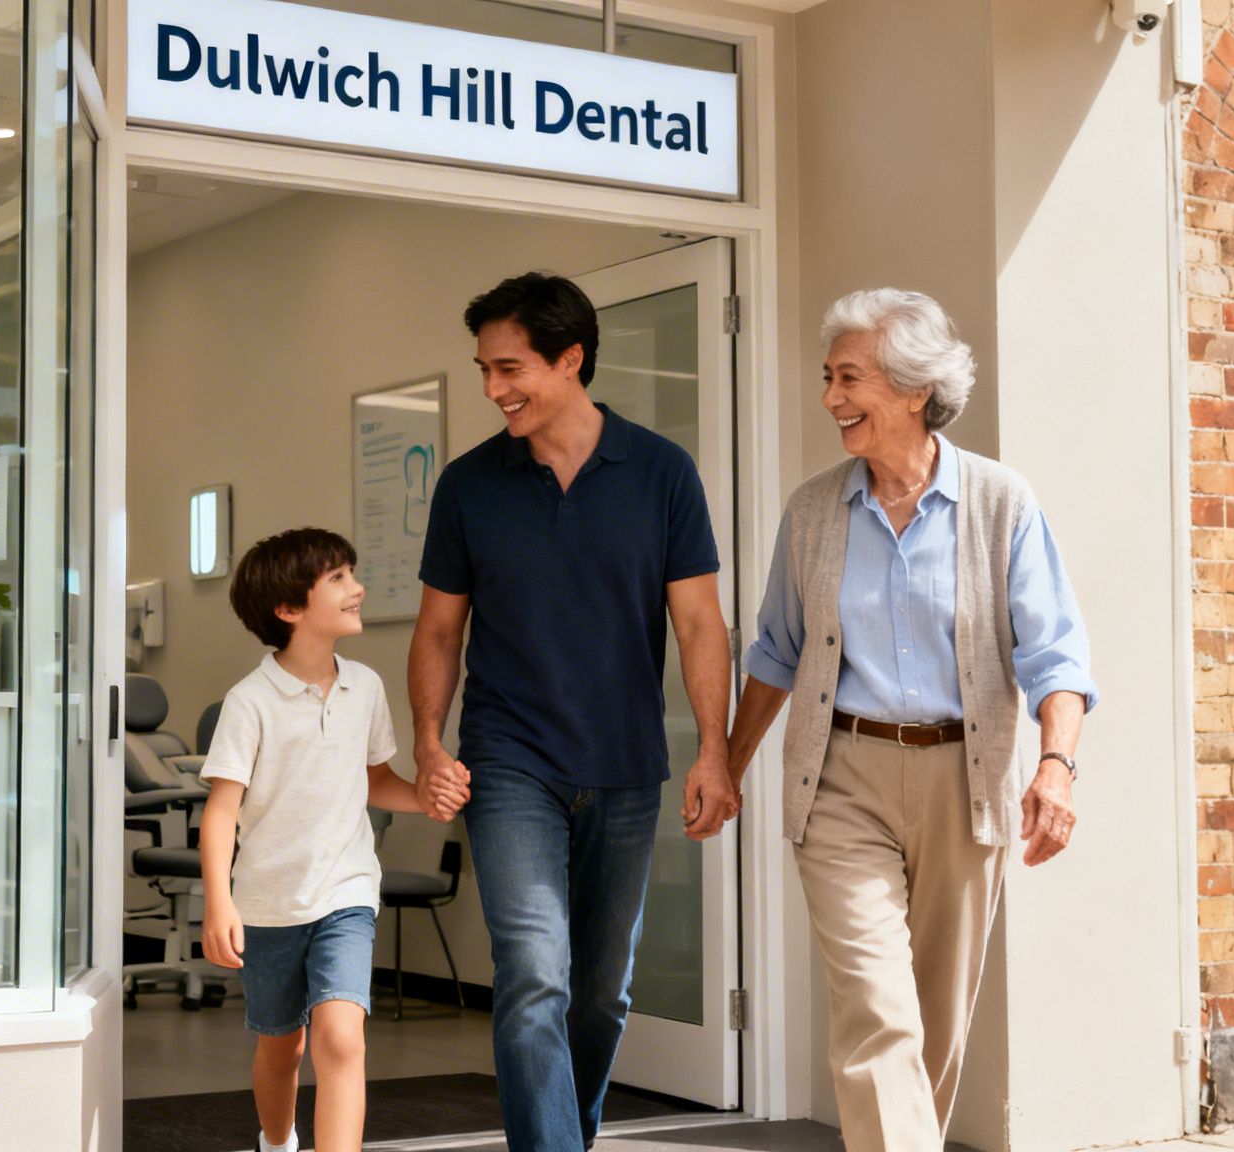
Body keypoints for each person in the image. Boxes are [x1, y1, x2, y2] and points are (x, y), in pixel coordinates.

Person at [726, 288, 1095, 1150]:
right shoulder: (815, 510)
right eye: (829, 377)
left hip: (963, 776)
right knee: (875, 1011)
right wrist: (727, 763)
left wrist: (1055, 766)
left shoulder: (1000, 503)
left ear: (914, 389)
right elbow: (776, 653)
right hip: (841, 777)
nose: (830, 398)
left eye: (849, 378)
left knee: (931, 1023)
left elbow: (1056, 656)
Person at [409, 272, 736, 1152]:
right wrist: (430, 744)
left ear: (571, 359)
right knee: (533, 975)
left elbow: (702, 622)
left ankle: (568, 1134)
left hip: (626, 765)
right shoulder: (470, 485)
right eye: (483, 369)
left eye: (509, 367)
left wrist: (716, 753)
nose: (493, 389)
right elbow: (440, 632)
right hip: (509, 761)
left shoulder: (661, 472)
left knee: (599, 993)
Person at [197, 527, 435, 1152]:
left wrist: (426, 798)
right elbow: (222, 812)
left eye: (351, 573)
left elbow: (375, 780)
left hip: (346, 892)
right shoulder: (249, 702)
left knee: (340, 1038)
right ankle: (277, 1143)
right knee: (283, 1045)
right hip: (270, 904)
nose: (357, 588)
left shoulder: (366, 688)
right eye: (338, 579)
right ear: (289, 609)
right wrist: (219, 901)